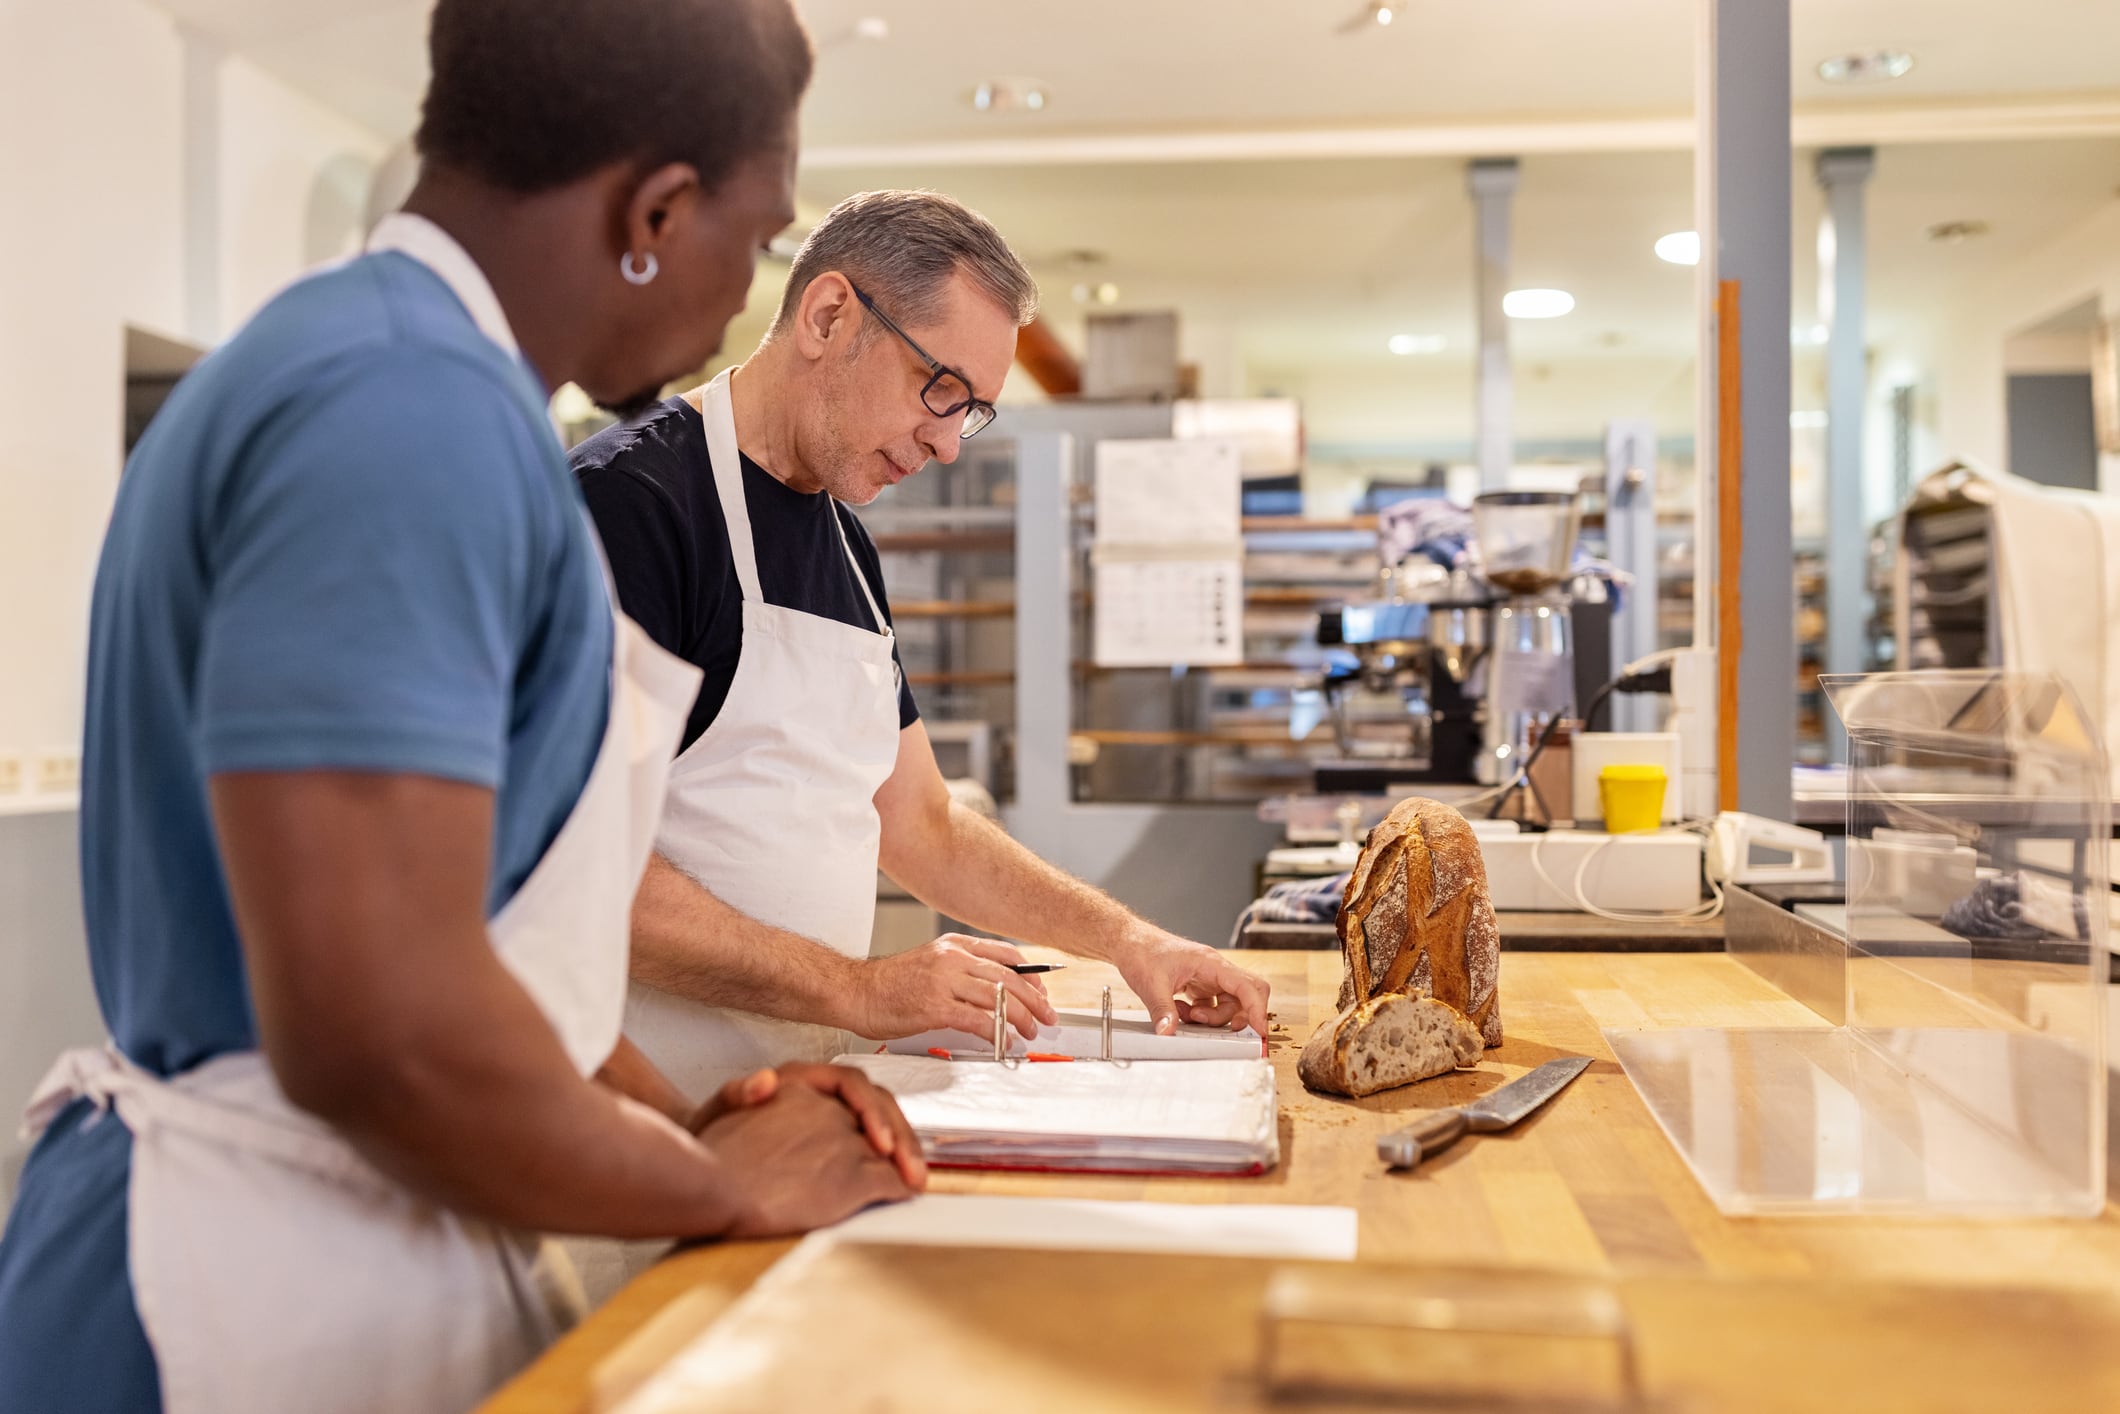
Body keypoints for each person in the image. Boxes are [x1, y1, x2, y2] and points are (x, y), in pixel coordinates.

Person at [0, 5, 923, 1412]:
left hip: (334, 1253)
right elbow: (380, 1032)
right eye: (761, 236)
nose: (750, 290)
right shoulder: (401, 411)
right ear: (656, 209)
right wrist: (708, 1180)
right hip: (233, 1305)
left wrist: (690, 1118)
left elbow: (476, 941)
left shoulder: (425, 390)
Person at [573, 190, 1274, 1102]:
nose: (947, 446)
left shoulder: (846, 546)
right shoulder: (629, 510)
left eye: (972, 412)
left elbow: (923, 826)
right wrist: (862, 989)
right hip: (636, 1123)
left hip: (794, 1103)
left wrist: (1134, 942)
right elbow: (587, 870)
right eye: (940, 391)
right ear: (830, 315)